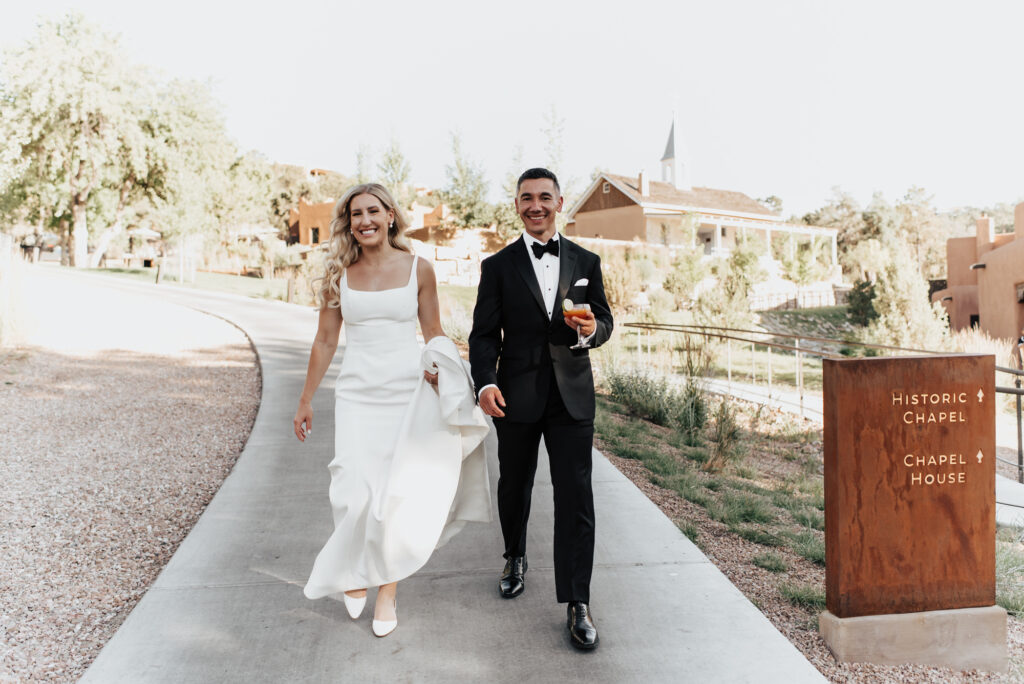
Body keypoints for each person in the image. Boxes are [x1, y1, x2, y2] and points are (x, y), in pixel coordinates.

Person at [294, 183, 491, 638]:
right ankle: (355, 571)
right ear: (349, 223)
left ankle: (386, 589)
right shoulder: (338, 274)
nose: (364, 220)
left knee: (393, 497)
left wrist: (443, 371)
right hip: (357, 398)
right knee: (351, 491)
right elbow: (325, 340)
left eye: (372, 211)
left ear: (389, 216)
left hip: (407, 394)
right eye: (355, 214)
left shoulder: (419, 269)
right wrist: (305, 399)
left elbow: (434, 331)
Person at [468, 168, 614, 650]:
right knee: (515, 486)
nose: (536, 205)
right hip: (516, 394)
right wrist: (485, 382)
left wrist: (591, 329)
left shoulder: (587, 259)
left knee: (577, 498)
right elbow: (484, 335)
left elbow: (605, 321)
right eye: (527, 198)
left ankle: (578, 603)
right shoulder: (498, 266)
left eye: (544, 197)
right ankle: (514, 555)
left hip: (573, 396)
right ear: (516, 205)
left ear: (559, 202)